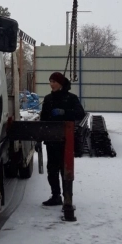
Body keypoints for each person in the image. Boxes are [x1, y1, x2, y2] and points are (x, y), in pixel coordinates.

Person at [40, 72, 85, 206]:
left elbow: (80, 114)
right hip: (51, 140)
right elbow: (43, 119)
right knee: (52, 170)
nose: (51, 84)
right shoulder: (48, 99)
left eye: (54, 82)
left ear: (61, 83)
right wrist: (40, 136)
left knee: (65, 169)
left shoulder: (71, 98)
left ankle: (67, 197)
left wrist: (65, 112)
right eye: (50, 81)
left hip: (66, 141)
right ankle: (56, 196)